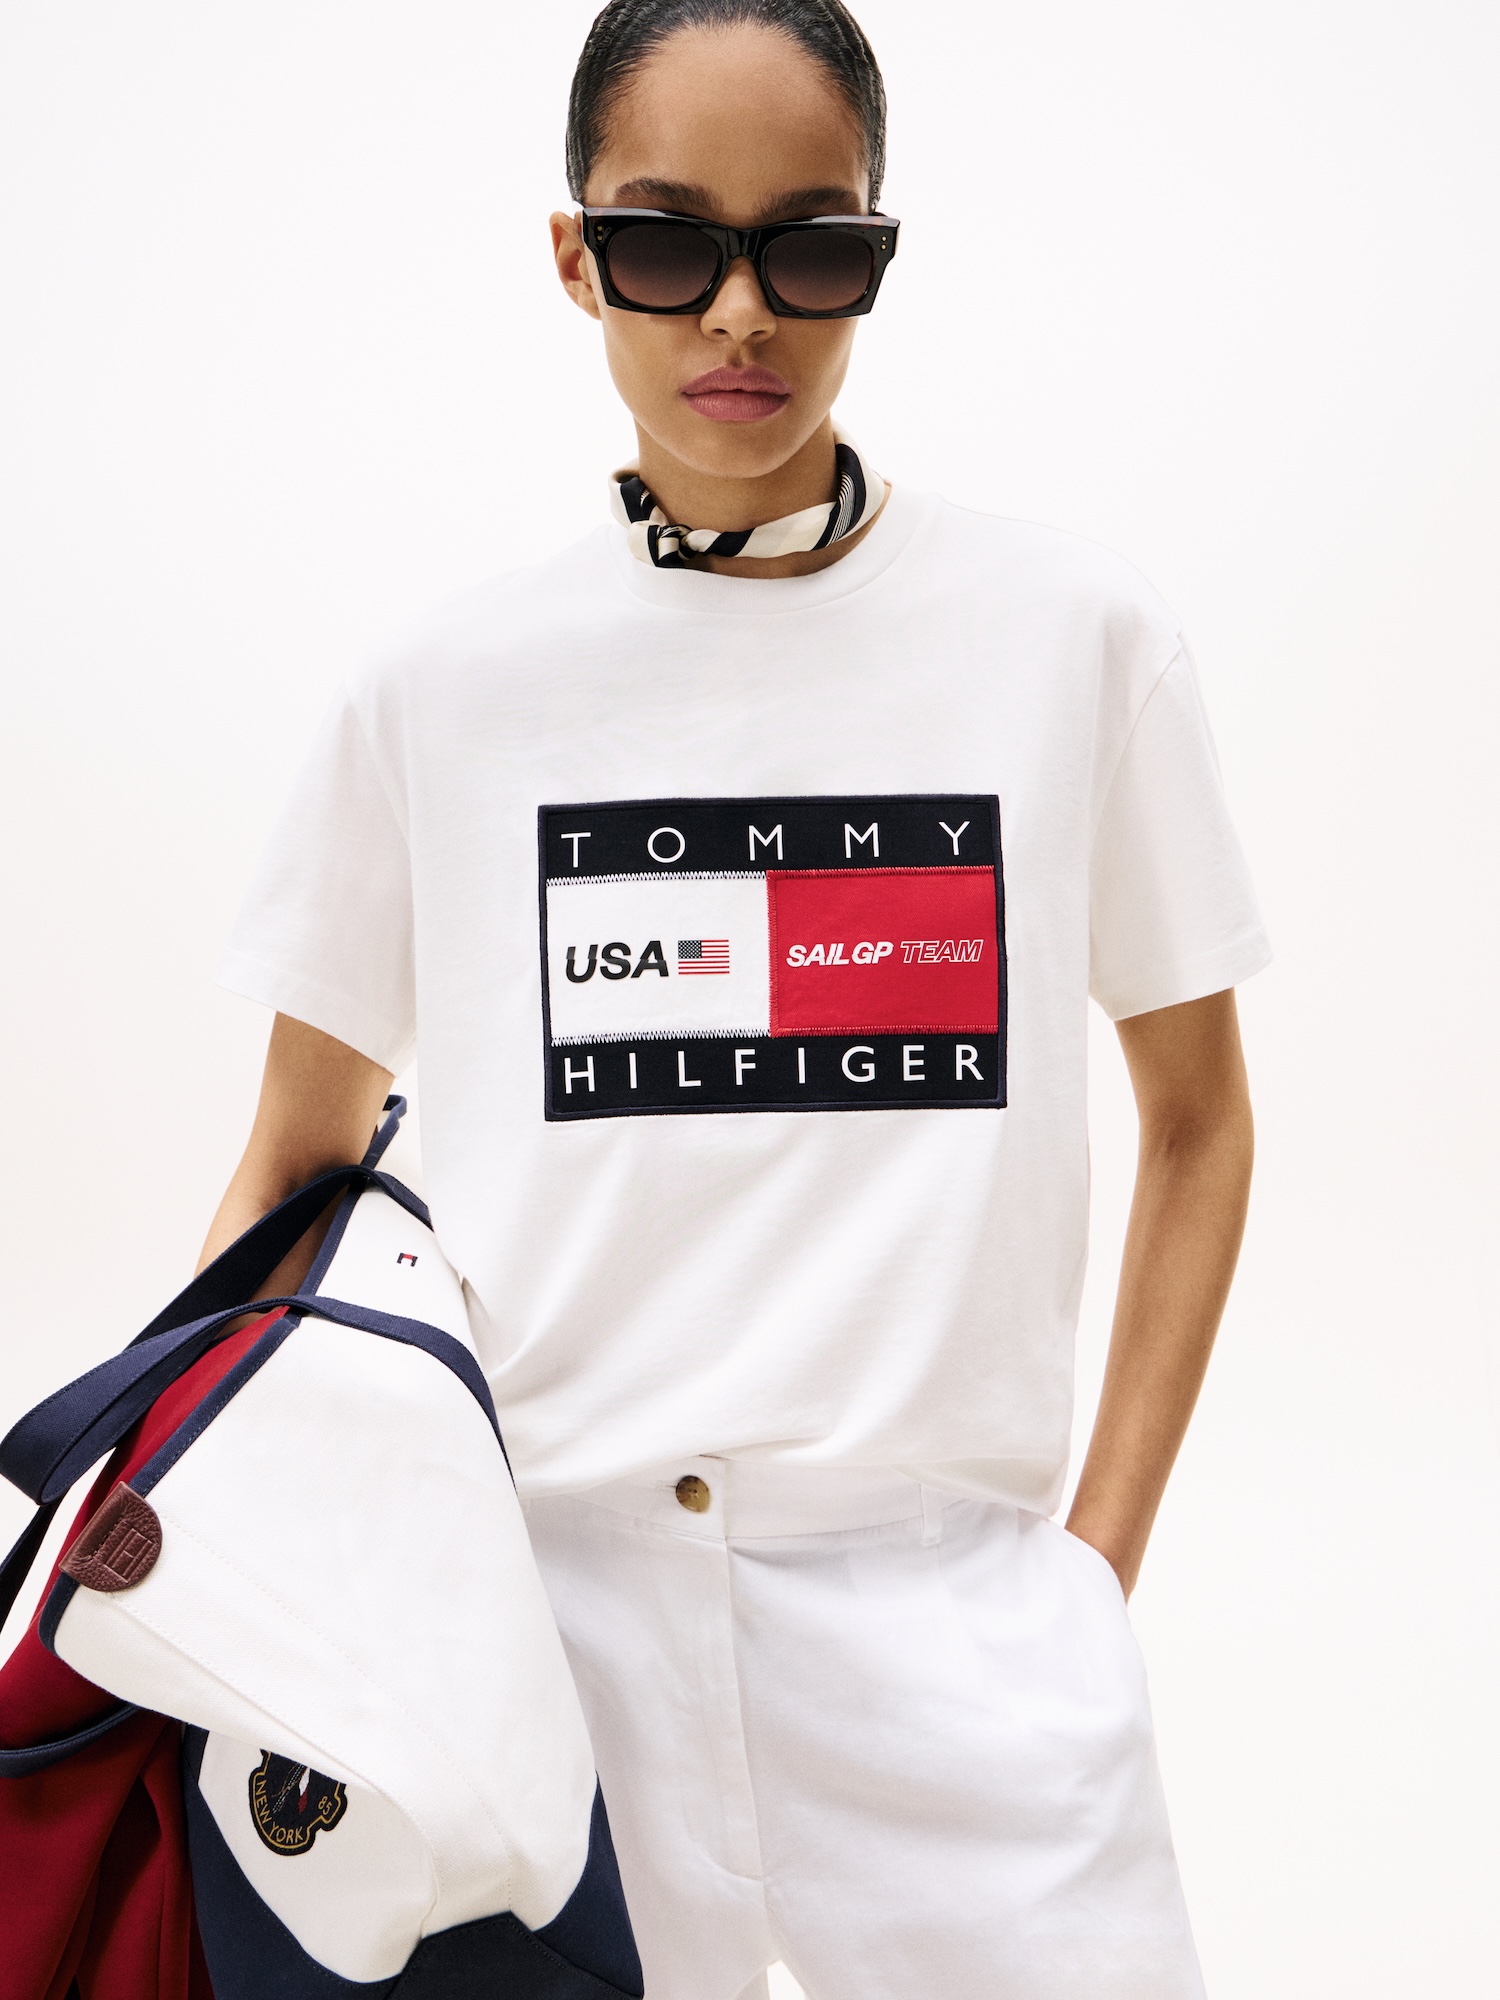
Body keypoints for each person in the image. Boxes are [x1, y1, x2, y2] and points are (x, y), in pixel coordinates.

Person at [205, 2, 1269, 1994]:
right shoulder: (443, 688)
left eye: (813, 248)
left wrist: (1090, 1569)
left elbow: (1201, 1124)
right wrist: (224, 1574)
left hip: (961, 1633)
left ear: (880, 253)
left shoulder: (1072, 640)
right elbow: (291, 1165)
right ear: (575, 255)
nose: (741, 314)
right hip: (539, 1637)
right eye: (668, 242)